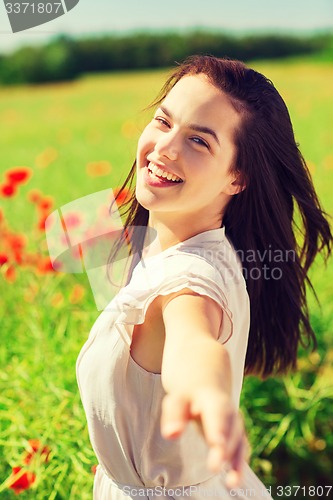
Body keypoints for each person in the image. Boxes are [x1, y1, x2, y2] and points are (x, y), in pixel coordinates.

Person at [76, 55, 332, 499]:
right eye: (163, 121)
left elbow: (193, 343)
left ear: (237, 177)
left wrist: (205, 395)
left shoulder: (190, 275)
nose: (165, 148)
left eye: (199, 140)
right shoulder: (177, 246)